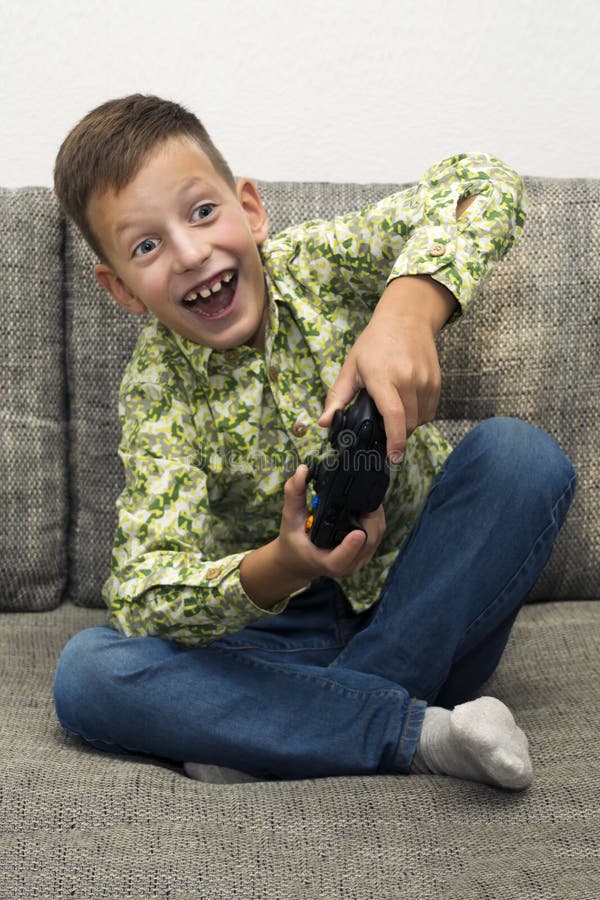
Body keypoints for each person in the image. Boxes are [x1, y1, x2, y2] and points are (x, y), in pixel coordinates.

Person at [52, 94, 576, 788]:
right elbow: (143, 591)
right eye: (146, 246)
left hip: (421, 605)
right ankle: (420, 733)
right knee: (87, 671)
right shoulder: (157, 390)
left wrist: (407, 310)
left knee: (522, 456)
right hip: (279, 638)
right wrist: (284, 563)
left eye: (203, 212)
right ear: (121, 289)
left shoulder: (321, 264)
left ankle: (279, 732)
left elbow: (484, 183)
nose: (190, 252)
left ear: (251, 209)